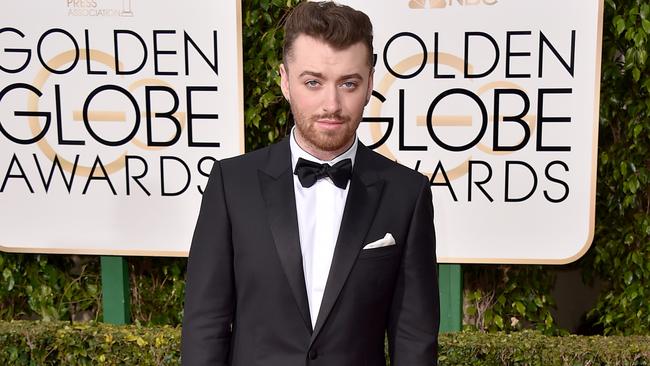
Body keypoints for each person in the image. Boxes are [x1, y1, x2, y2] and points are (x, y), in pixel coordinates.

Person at [181, 2, 439, 365]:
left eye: (349, 83)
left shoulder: (407, 194)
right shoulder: (231, 185)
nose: (331, 104)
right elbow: (204, 324)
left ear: (369, 85)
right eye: (313, 82)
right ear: (285, 81)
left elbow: (414, 338)